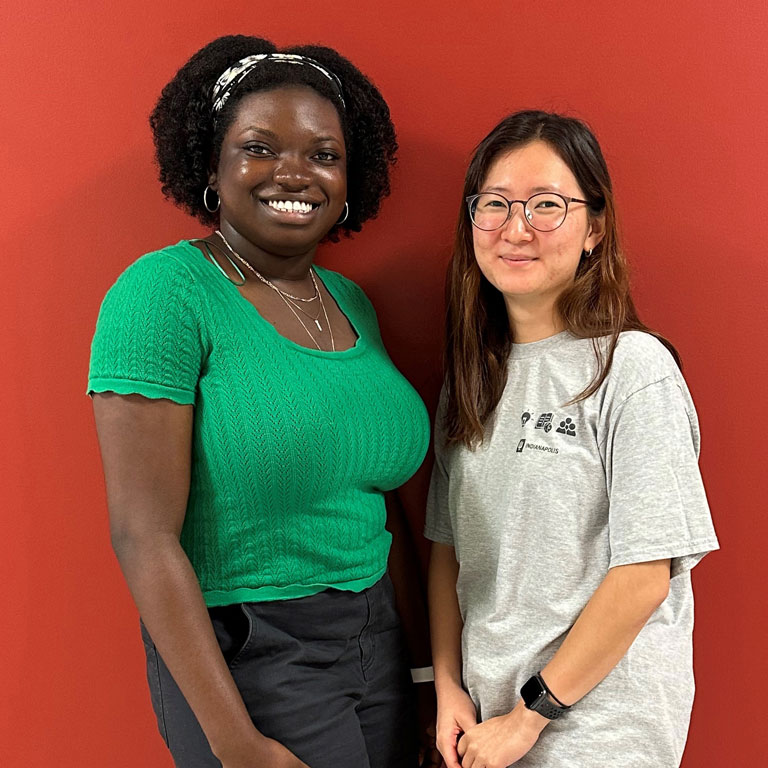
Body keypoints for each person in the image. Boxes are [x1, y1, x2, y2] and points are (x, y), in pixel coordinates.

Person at [88, 35, 434, 768]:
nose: (294, 173)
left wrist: (426, 667)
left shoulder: (348, 302)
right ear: (213, 166)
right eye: (259, 147)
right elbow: (142, 535)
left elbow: (386, 506)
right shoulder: (164, 294)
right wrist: (236, 744)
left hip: (378, 644)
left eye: (324, 154)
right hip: (254, 652)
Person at [425, 110, 719, 768]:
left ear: (595, 228)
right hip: (486, 725)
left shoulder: (633, 370)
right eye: (495, 204)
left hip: (600, 727)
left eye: (547, 205)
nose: (516, 228)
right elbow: (446, 551)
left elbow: (644, 575)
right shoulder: (471, 380)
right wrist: (447, 686)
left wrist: (533, 717)